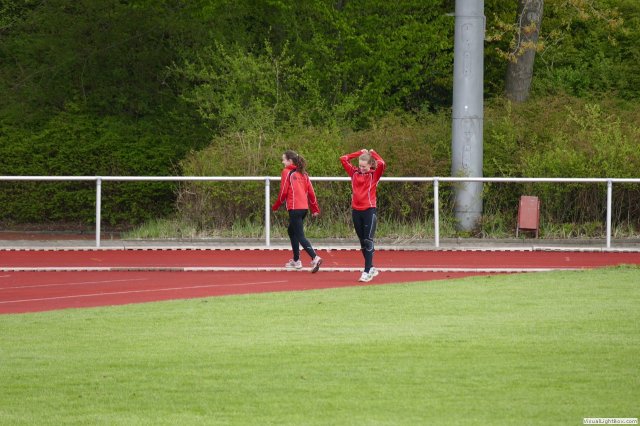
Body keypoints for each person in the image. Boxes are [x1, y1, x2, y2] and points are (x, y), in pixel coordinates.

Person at [272, 150, 323, 273]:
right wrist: (315, 208)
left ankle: (315, 257)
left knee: (300, 235)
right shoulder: (304, 174)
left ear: (290, 161)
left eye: (283, 159)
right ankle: (296, 260)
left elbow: (283, 191)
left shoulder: (287, 172)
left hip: (294, 208)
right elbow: (311, 193)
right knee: (291, 231)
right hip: (303, 209)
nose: (282, 162)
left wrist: (276, 206)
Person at [340, 148, 386, 282]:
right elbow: (343, 159)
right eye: (360, 165)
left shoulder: (374, 175)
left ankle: (366, 271)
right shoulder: (354, 173)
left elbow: (382, 163)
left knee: (368, 240)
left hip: (369, 210)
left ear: (370, 165)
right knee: (362, 242)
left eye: (364, 166)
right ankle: (371, 268)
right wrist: (359, 153)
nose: (361, 168)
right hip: (356, 211)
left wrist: (373, 153)